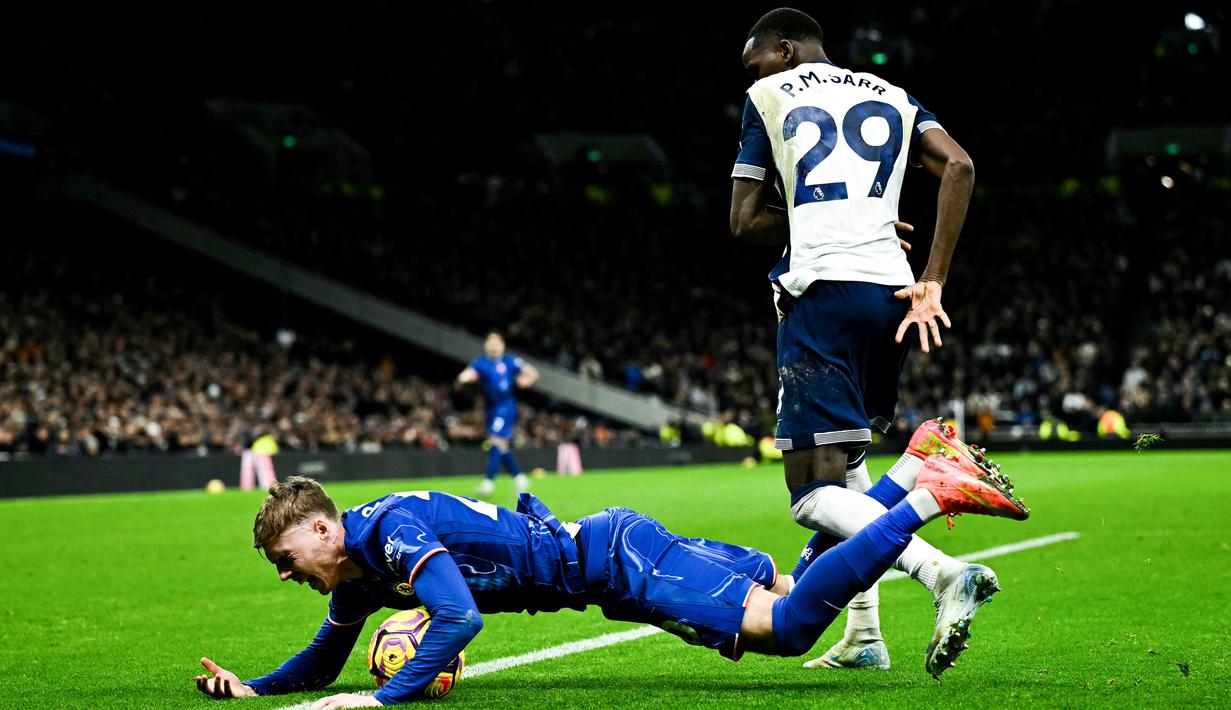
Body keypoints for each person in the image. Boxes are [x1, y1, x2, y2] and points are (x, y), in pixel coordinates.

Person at [194, 458, 1028, 706]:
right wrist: (255, 693)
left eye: (285, 559)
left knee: (793, 629)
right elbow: (319, 662)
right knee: (793, 586)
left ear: (318, 528)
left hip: (619, 559)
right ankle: (906, 475)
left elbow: (455, 622)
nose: (286, 576)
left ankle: (927, 491)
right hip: (612, 565)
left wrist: (380, 703)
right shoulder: (357, 577)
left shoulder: (388, 530)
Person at [729, 8, 981, 672]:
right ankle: (864, 635)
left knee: (810, 495)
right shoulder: (894, 95)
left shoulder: (767, 95)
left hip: (821, 294)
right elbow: (958, 167)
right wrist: (932, 278)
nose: (751, 77)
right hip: (891, 296)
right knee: (848, 465)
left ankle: (941, 572)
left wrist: (809, 223)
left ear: (783, 52)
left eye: (755, 64)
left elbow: (743, 221)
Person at [455, 331, 540, 497]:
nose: (493, 346)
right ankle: (519, 478)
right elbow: (468, 373)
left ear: (502, 345)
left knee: (495, 439)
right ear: (486, 345)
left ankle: (488, 482)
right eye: (490, 342)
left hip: (505, 406)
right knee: (501, 445)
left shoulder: (510, 361)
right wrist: (463, 379)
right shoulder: (482, 363)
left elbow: (533, 372)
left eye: (497, 342)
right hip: (490, 408)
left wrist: (526, 381)